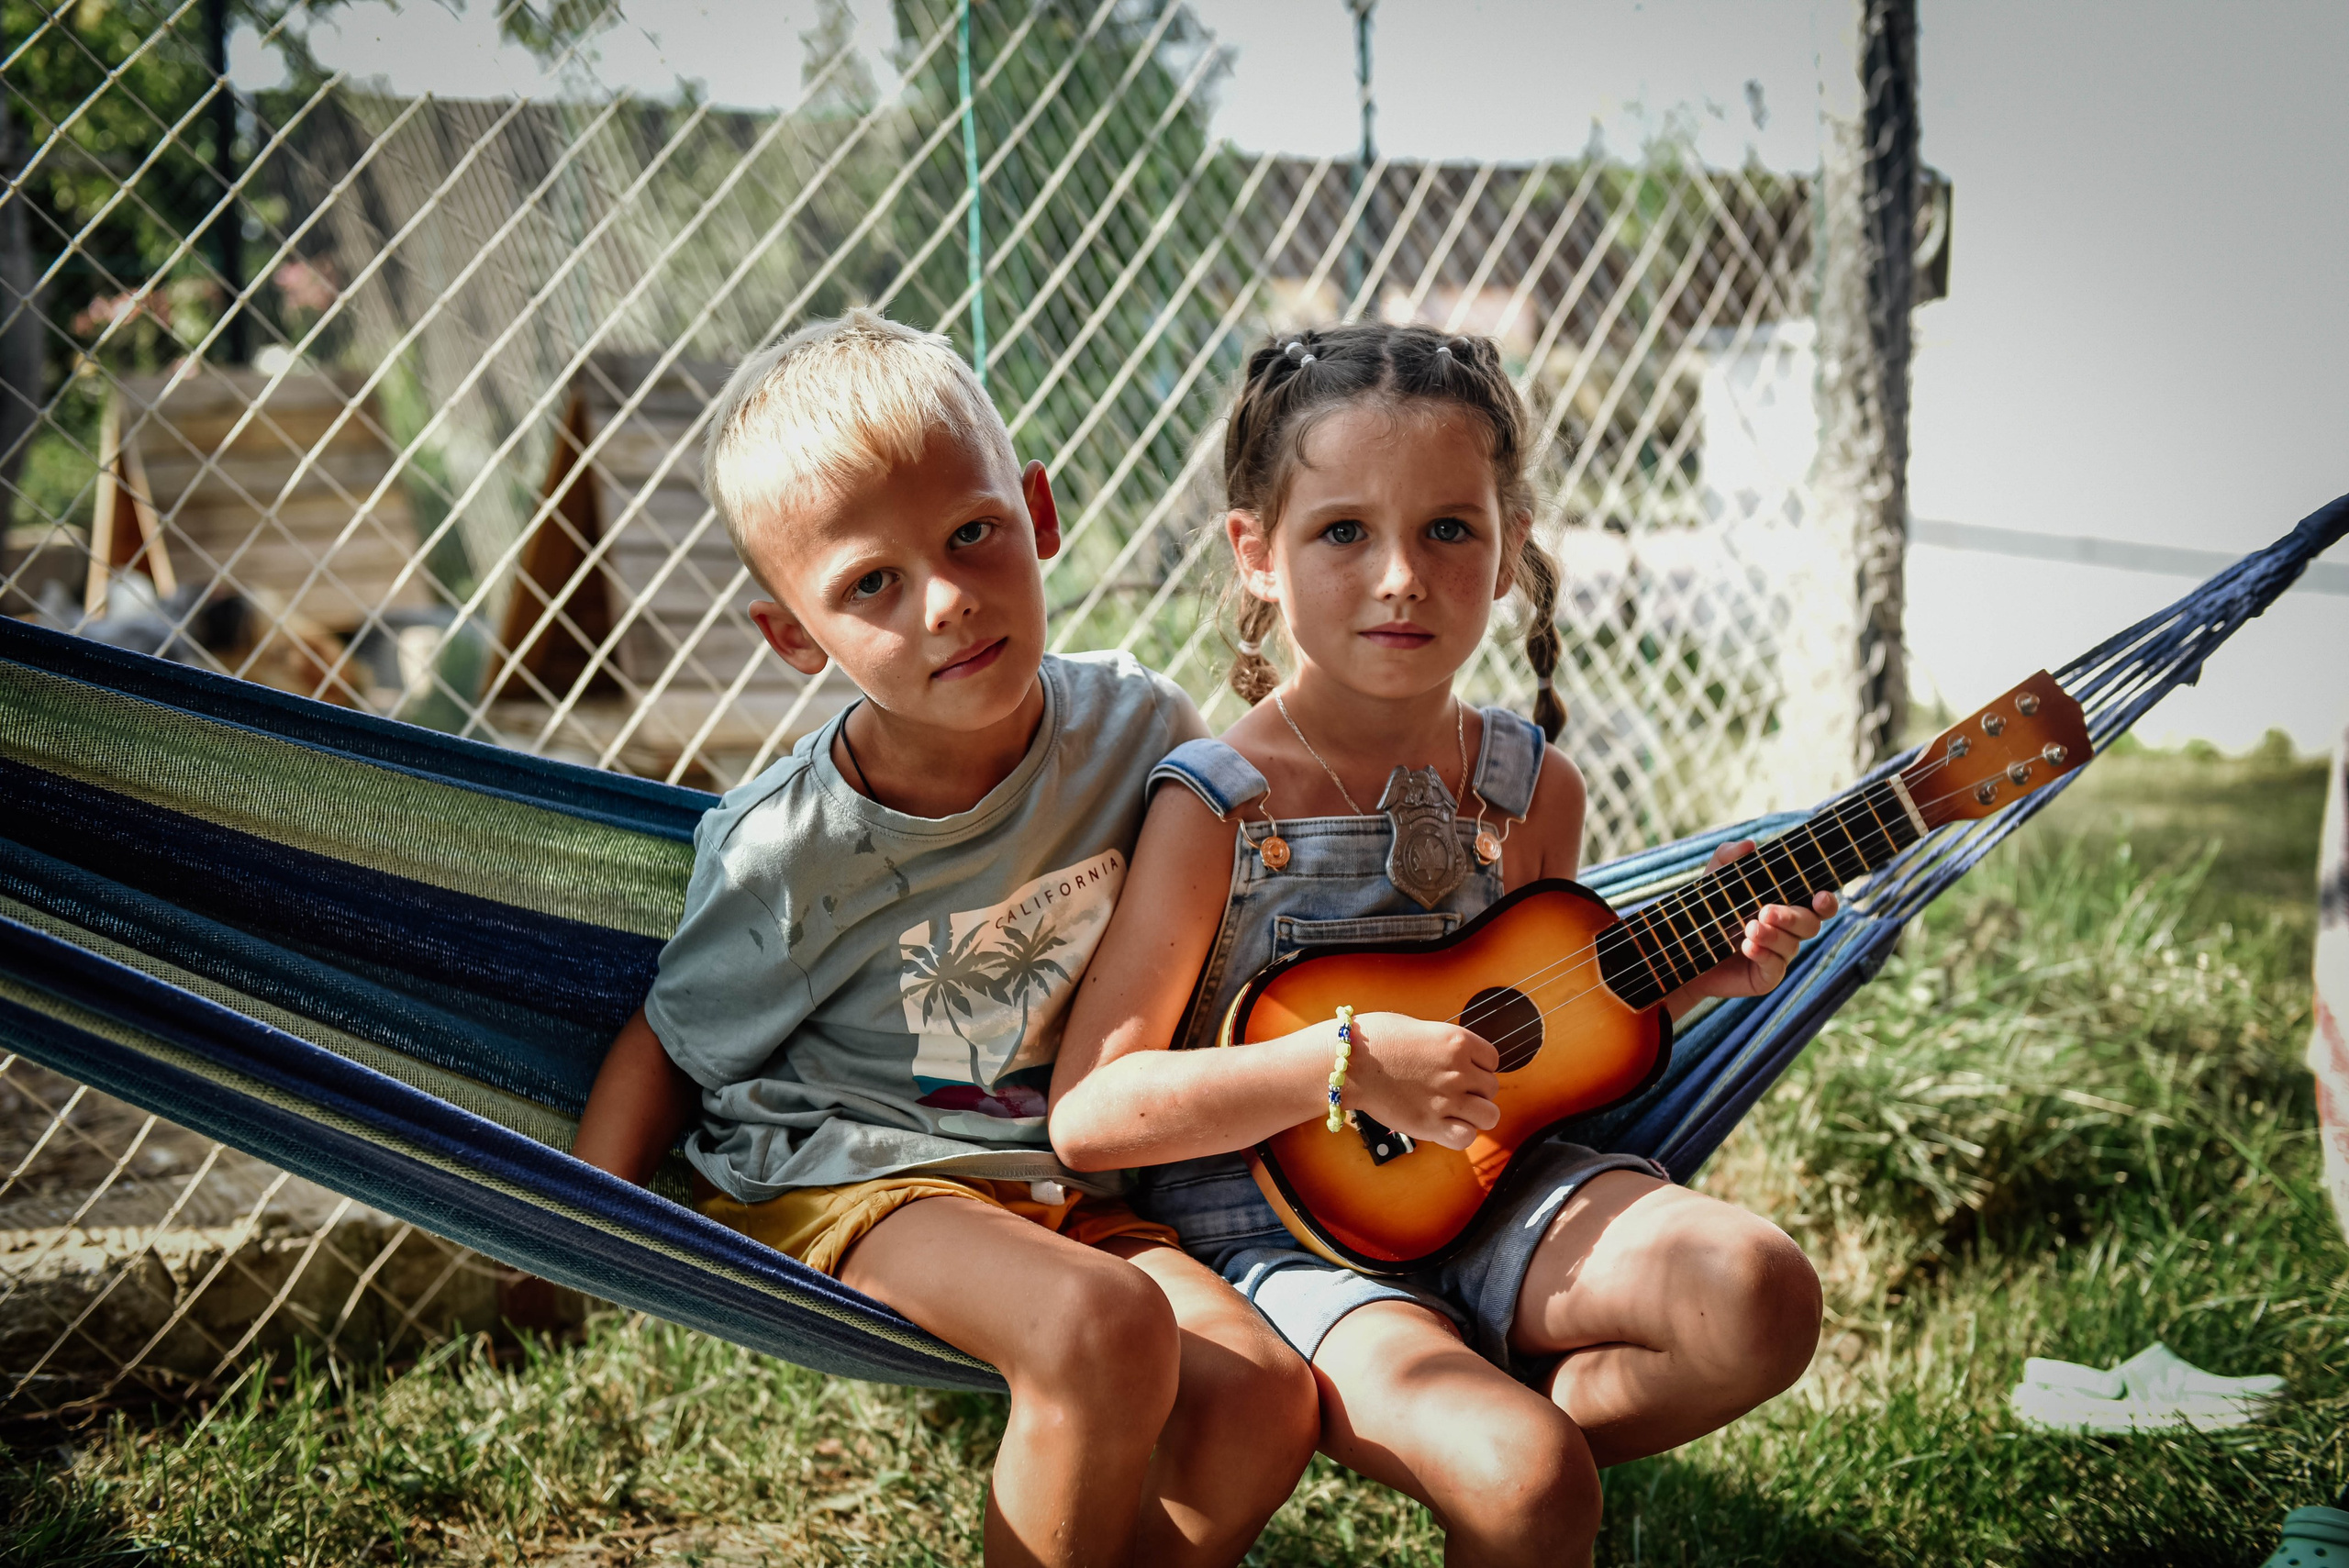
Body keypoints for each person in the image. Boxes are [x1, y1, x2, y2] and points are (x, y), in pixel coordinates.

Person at [1049, 322, 1832, 1566]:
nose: (1402, 575)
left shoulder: (1531, 790)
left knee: (1759, 1295)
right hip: (1273, 1233)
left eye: (1450, 530)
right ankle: (1503, 1456)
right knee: (1529, 1483)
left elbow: (1534, 1026)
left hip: (1491, 1188)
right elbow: (1091, 1114)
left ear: (1513, 550)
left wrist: (1695, 967)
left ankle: (1500, 1436)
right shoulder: (1216, 804)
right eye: (1344, 530)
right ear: (1257, 555)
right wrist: (1345, 1066)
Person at [570, 310, 1318, 1568]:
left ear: (1038, 511)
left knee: (1262, 1398)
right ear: (794, 636)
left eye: (974, 533)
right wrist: (574, 1241)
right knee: (1099, 1329)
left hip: (1063, 1187)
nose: (950, 601)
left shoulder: (1144, 735)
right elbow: (672, 1033)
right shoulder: (791, 847)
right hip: (853, 1178)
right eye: (873, 583)